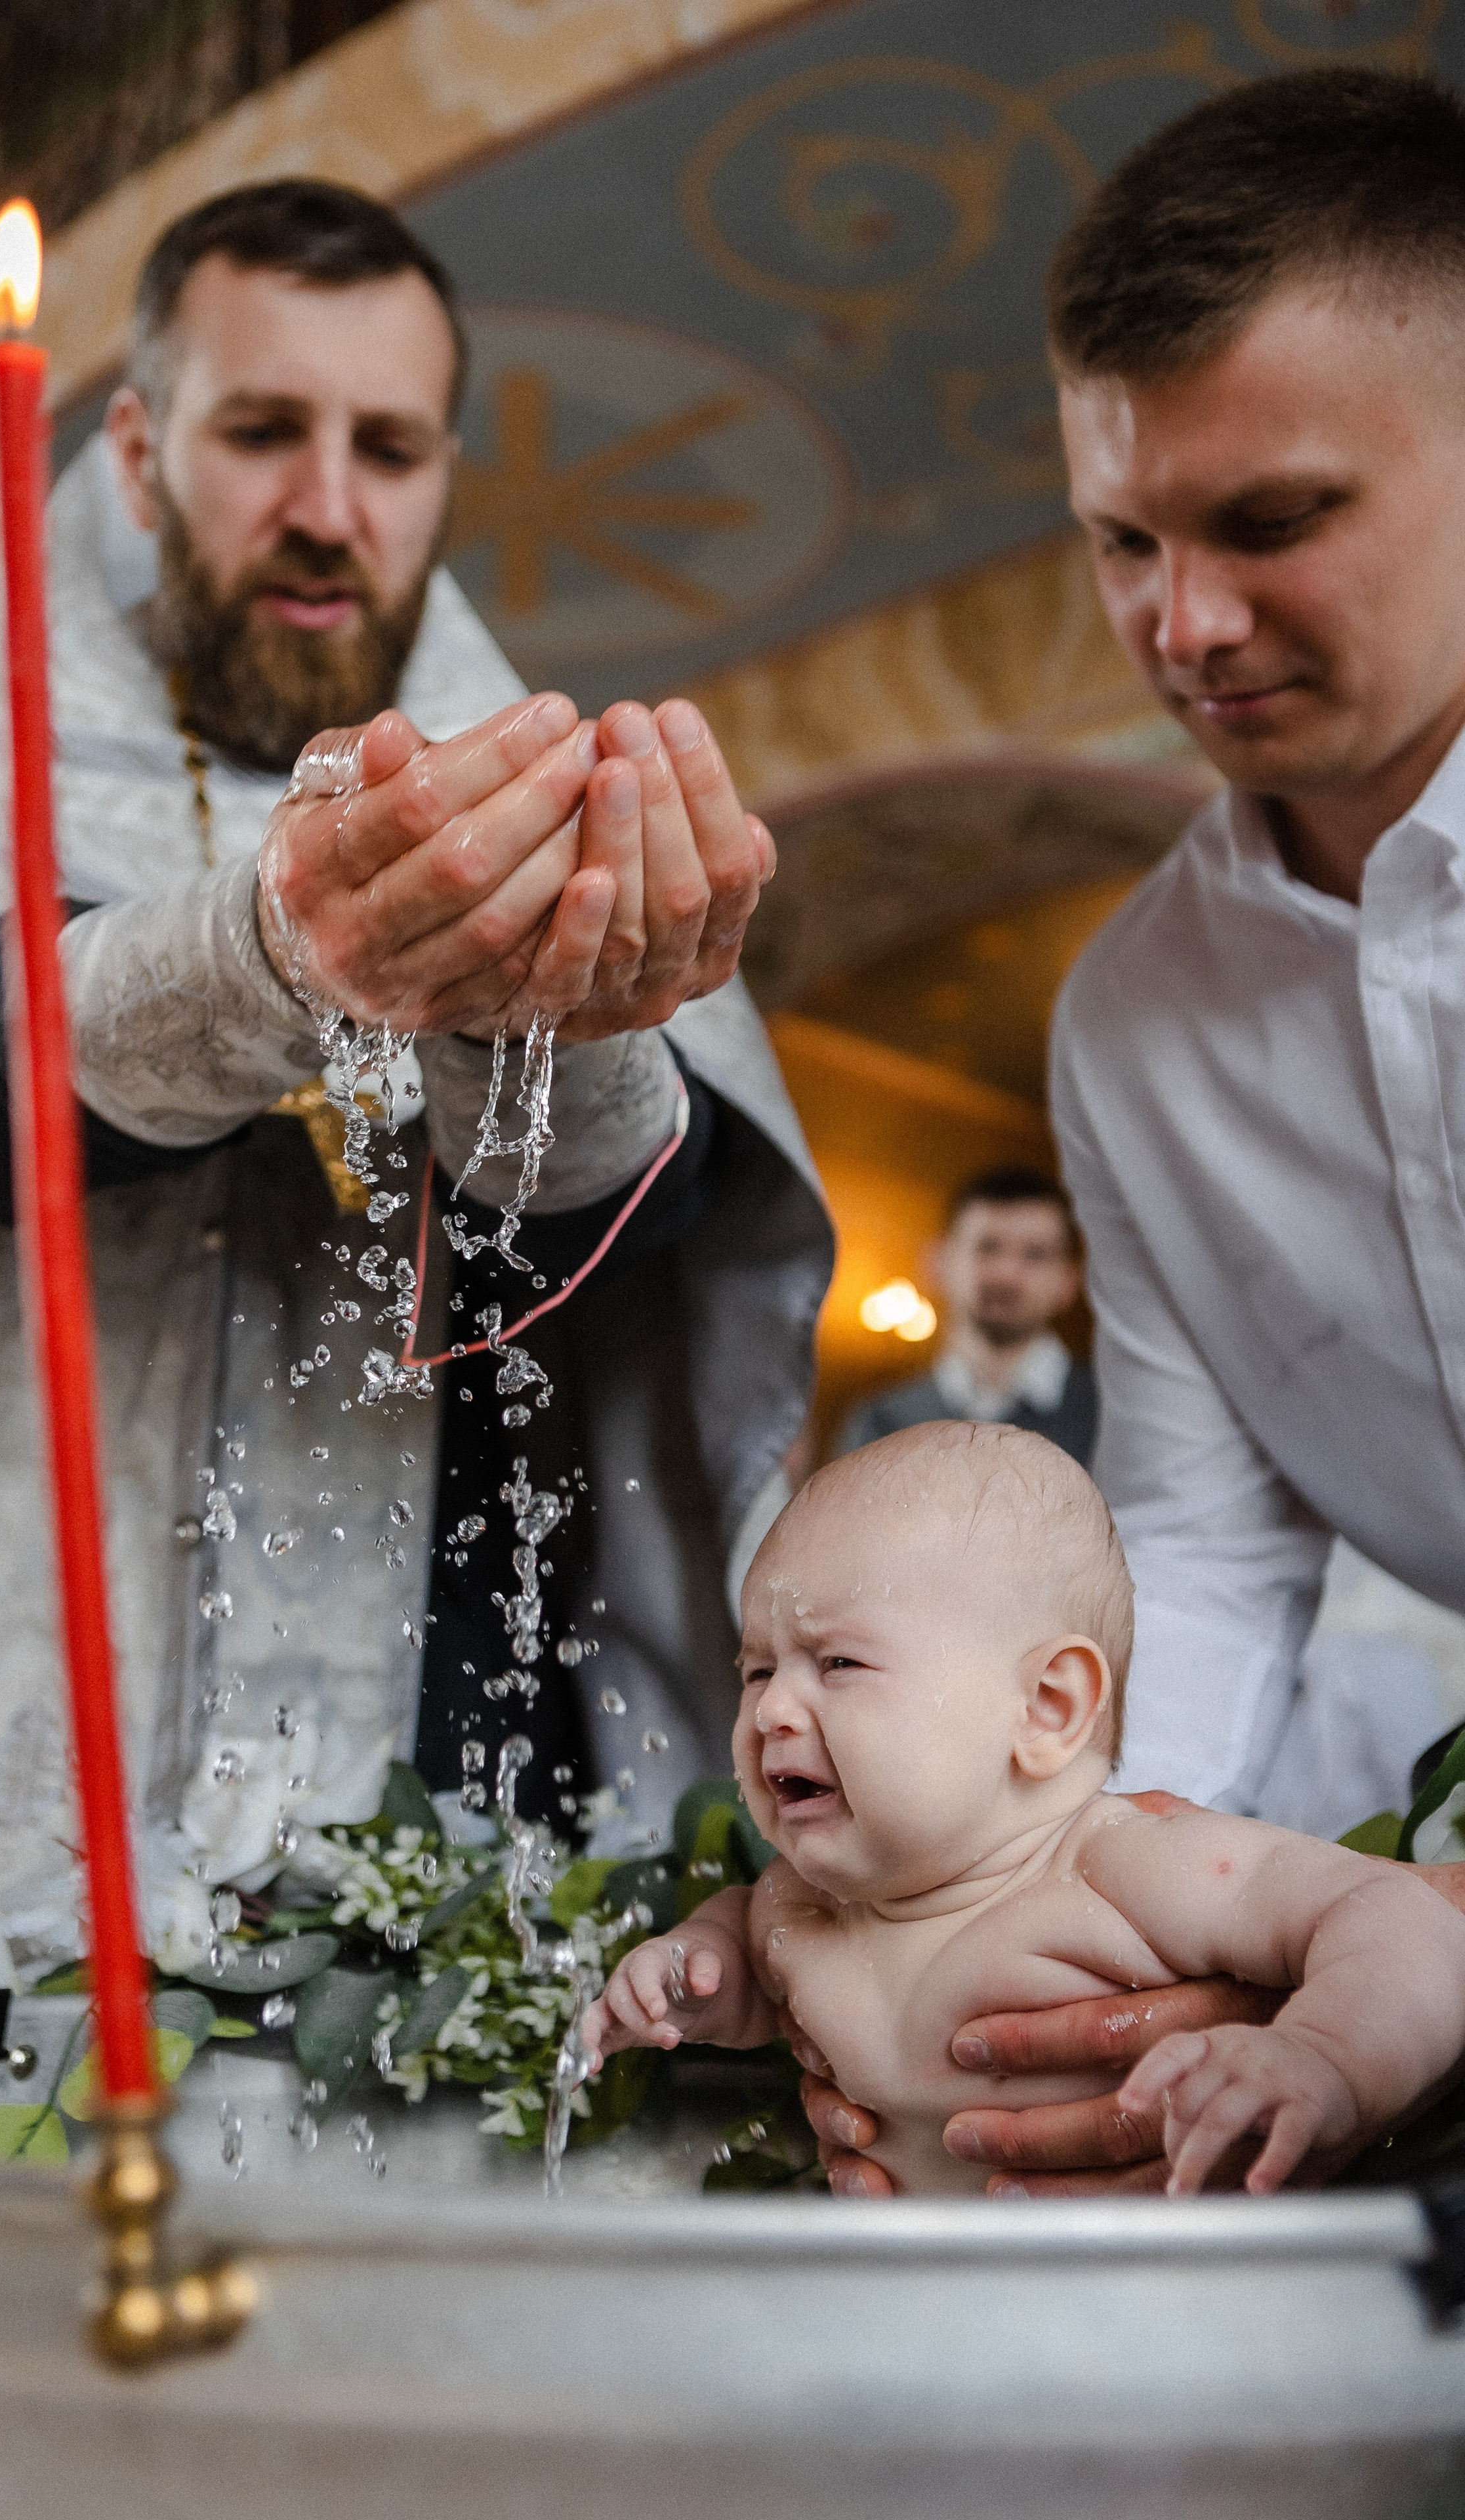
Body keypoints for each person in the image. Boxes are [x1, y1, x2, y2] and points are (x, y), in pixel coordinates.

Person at [0, 181, 831, 1928]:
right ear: (138, 457)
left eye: (389, 449)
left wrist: (561, 1024)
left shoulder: (544, 802)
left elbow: (635, 1242)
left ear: (442, 477)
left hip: (450, 1724)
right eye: (263, 431)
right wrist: (275, 955)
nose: (329, 510)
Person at [808, 64, 1465, 2197]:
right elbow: (1198, 1547)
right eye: (1124, 540)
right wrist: (1029, 1950)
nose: (1182, 627)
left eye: (1271, 523)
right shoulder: (1134, 1022)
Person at [585, 1423, 1465, 2194]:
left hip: (1163, 2312)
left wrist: (1324, 2055)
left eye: (839, 1663)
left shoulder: (1124, 1869)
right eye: (758, 1670)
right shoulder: (793, 1906)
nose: (772, 1709)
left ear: (1046, 1708)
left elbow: (1402, 1918)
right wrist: (690, 1972)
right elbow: (743, 1951)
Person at [833, 1167, 1096, 1469]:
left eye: (1035, 1254)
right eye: (987, 1247)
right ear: (937, 1262)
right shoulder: (881, 1422)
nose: (1007, 1273)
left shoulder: (1110, 1416)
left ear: (1069, 1281)